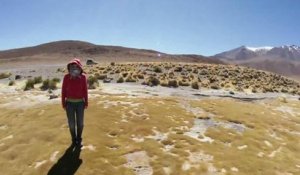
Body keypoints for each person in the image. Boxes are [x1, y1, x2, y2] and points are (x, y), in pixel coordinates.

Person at [61, 58, 88, 147]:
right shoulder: (66, 77)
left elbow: (85, 90)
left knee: (80, 123)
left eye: (76, 66)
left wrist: (86, 102)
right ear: (69, 67)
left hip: (80, 103)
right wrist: (63, 103)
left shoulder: (83, 77)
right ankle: (73, 140)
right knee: (71, 124)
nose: (74, 68)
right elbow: (63, 90)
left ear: (80, 67)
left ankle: (79, 139)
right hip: (69, 104)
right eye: (72, 66)